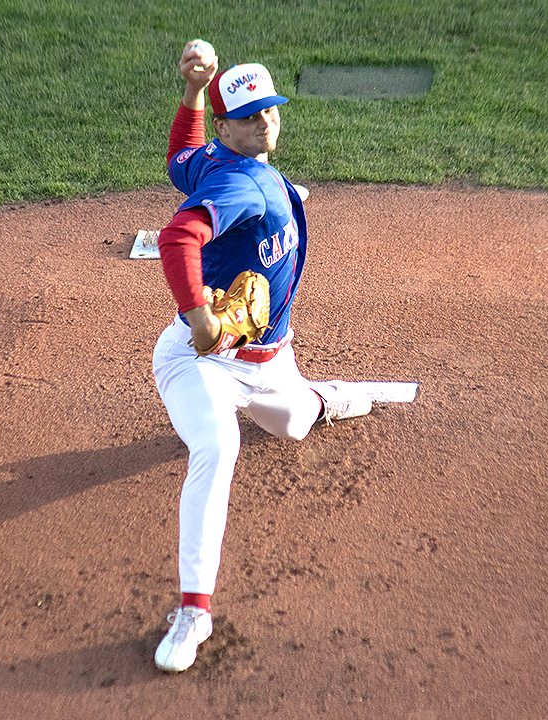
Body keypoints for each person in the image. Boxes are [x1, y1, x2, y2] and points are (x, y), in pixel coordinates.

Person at [151, 39, 373, 673]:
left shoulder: (218, 161)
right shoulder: (244, 186)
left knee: (296, 421)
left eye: (271, 110)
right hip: (205, 362)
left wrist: (193, 95)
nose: (264, 122)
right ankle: (194, 610)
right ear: (229, 128)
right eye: (249, 117)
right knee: (218, 447)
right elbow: (177, 236)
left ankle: (327, 396)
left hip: (270, 362)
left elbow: (181, 159)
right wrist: (198, 319)